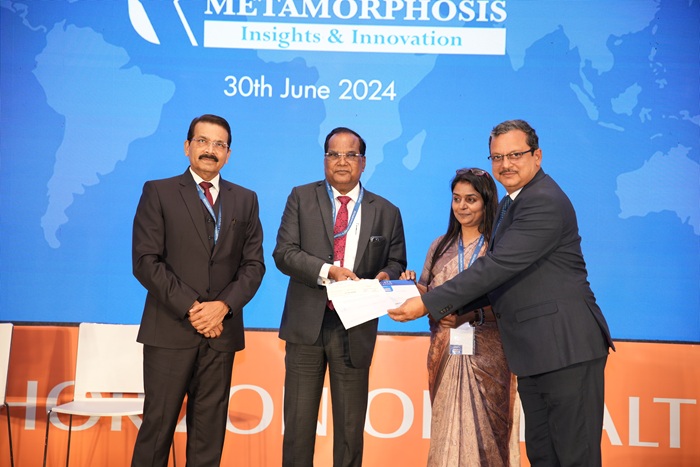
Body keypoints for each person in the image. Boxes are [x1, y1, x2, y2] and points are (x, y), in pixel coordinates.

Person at [389, 119, 614, 467]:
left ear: (537, 156)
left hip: (565, 349)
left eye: (515, 155)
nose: (505, 164)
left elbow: (497, 267)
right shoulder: (512, 203)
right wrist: (455, 308)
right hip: (536, 352)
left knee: (574, 457)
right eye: (497, 157)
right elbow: (502, 278)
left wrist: (429, 303)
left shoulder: (543, 201)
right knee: (544, 456)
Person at [131, 114, 265, 466]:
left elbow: (254, 266)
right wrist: (193, 308)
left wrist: (222, 307)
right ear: (187, 147)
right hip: (170, 330)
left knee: (208, 439)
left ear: (228, 154)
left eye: (219, 144)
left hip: (220, 334)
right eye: (202, 141)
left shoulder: (245, 199)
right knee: (157, 431)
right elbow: (145, 261)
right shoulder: (158, 192)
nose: (210, 150)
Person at [273, 127, 407, 466]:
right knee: (298, 428)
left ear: (363, 162)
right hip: (306, 327)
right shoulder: (301, 197)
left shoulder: (386, 211)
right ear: (325, 160)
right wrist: (328, 270)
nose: (342, 161)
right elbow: (284, 253)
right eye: (334, 154)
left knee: (349, 433)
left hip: (355, 328)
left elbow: (396, 262)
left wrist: (385, 277)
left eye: (350, 155)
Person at [400, 168, 520, 466]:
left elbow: (509, 302)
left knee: (488, 435)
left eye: (471, 199)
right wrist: (411, 287)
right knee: (446, 431)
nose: (462, 206)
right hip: (445, 351)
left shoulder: (498, 248)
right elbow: (428, 294)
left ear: (487, 202)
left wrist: (471, 315)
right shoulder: (440, 246)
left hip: (490, 357)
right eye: (457, 199)